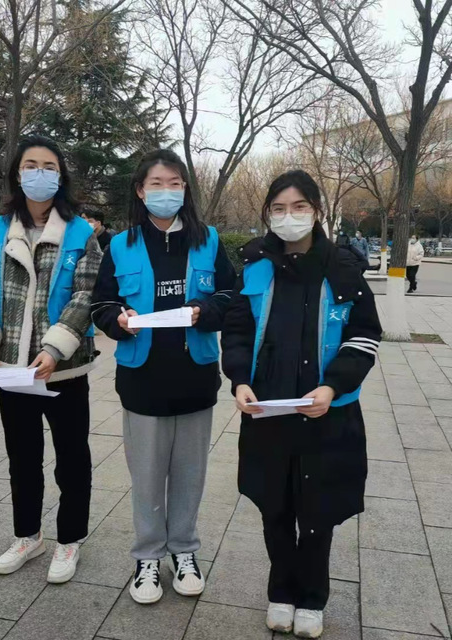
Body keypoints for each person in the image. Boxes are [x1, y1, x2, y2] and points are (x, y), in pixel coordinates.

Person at [221, 170, 382, 638]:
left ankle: (312, 597)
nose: (288, 217)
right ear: (267, 214)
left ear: (316, 211)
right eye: (278, 208)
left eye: (298, 207)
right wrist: (239, 381)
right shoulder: (255, 266)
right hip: (268, 412)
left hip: (326, 412)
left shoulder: (345, 268)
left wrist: (332, 386)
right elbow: (237, 330)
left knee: (317, 509)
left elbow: (364, 335)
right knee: (274, 507)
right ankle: (281, 591)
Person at [91, 149, 236, 605]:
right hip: (143, 379)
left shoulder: (208, 240)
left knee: (190, 474)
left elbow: (231, 295)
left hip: (195, 376)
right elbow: (101, 304)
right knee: (148, 475)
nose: (166, 192)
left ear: (185, 189)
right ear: (140, 190)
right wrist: (119, 320)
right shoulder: (121, 245)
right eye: (156, 183)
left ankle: (184, 549)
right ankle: (148, 556)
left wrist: (204, 310)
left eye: (174, 183)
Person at [0, 134, 102, 584]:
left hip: (64, 368)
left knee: (72, 458)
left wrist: (55, 346)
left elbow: (87, 294)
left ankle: (70, 539)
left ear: (60, 176)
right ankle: (27, 535)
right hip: (11, 369)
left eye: (49, 166)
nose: (39, 173)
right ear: (17, 173)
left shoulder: (80, 233)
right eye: (30, 165)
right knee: (22, 458)